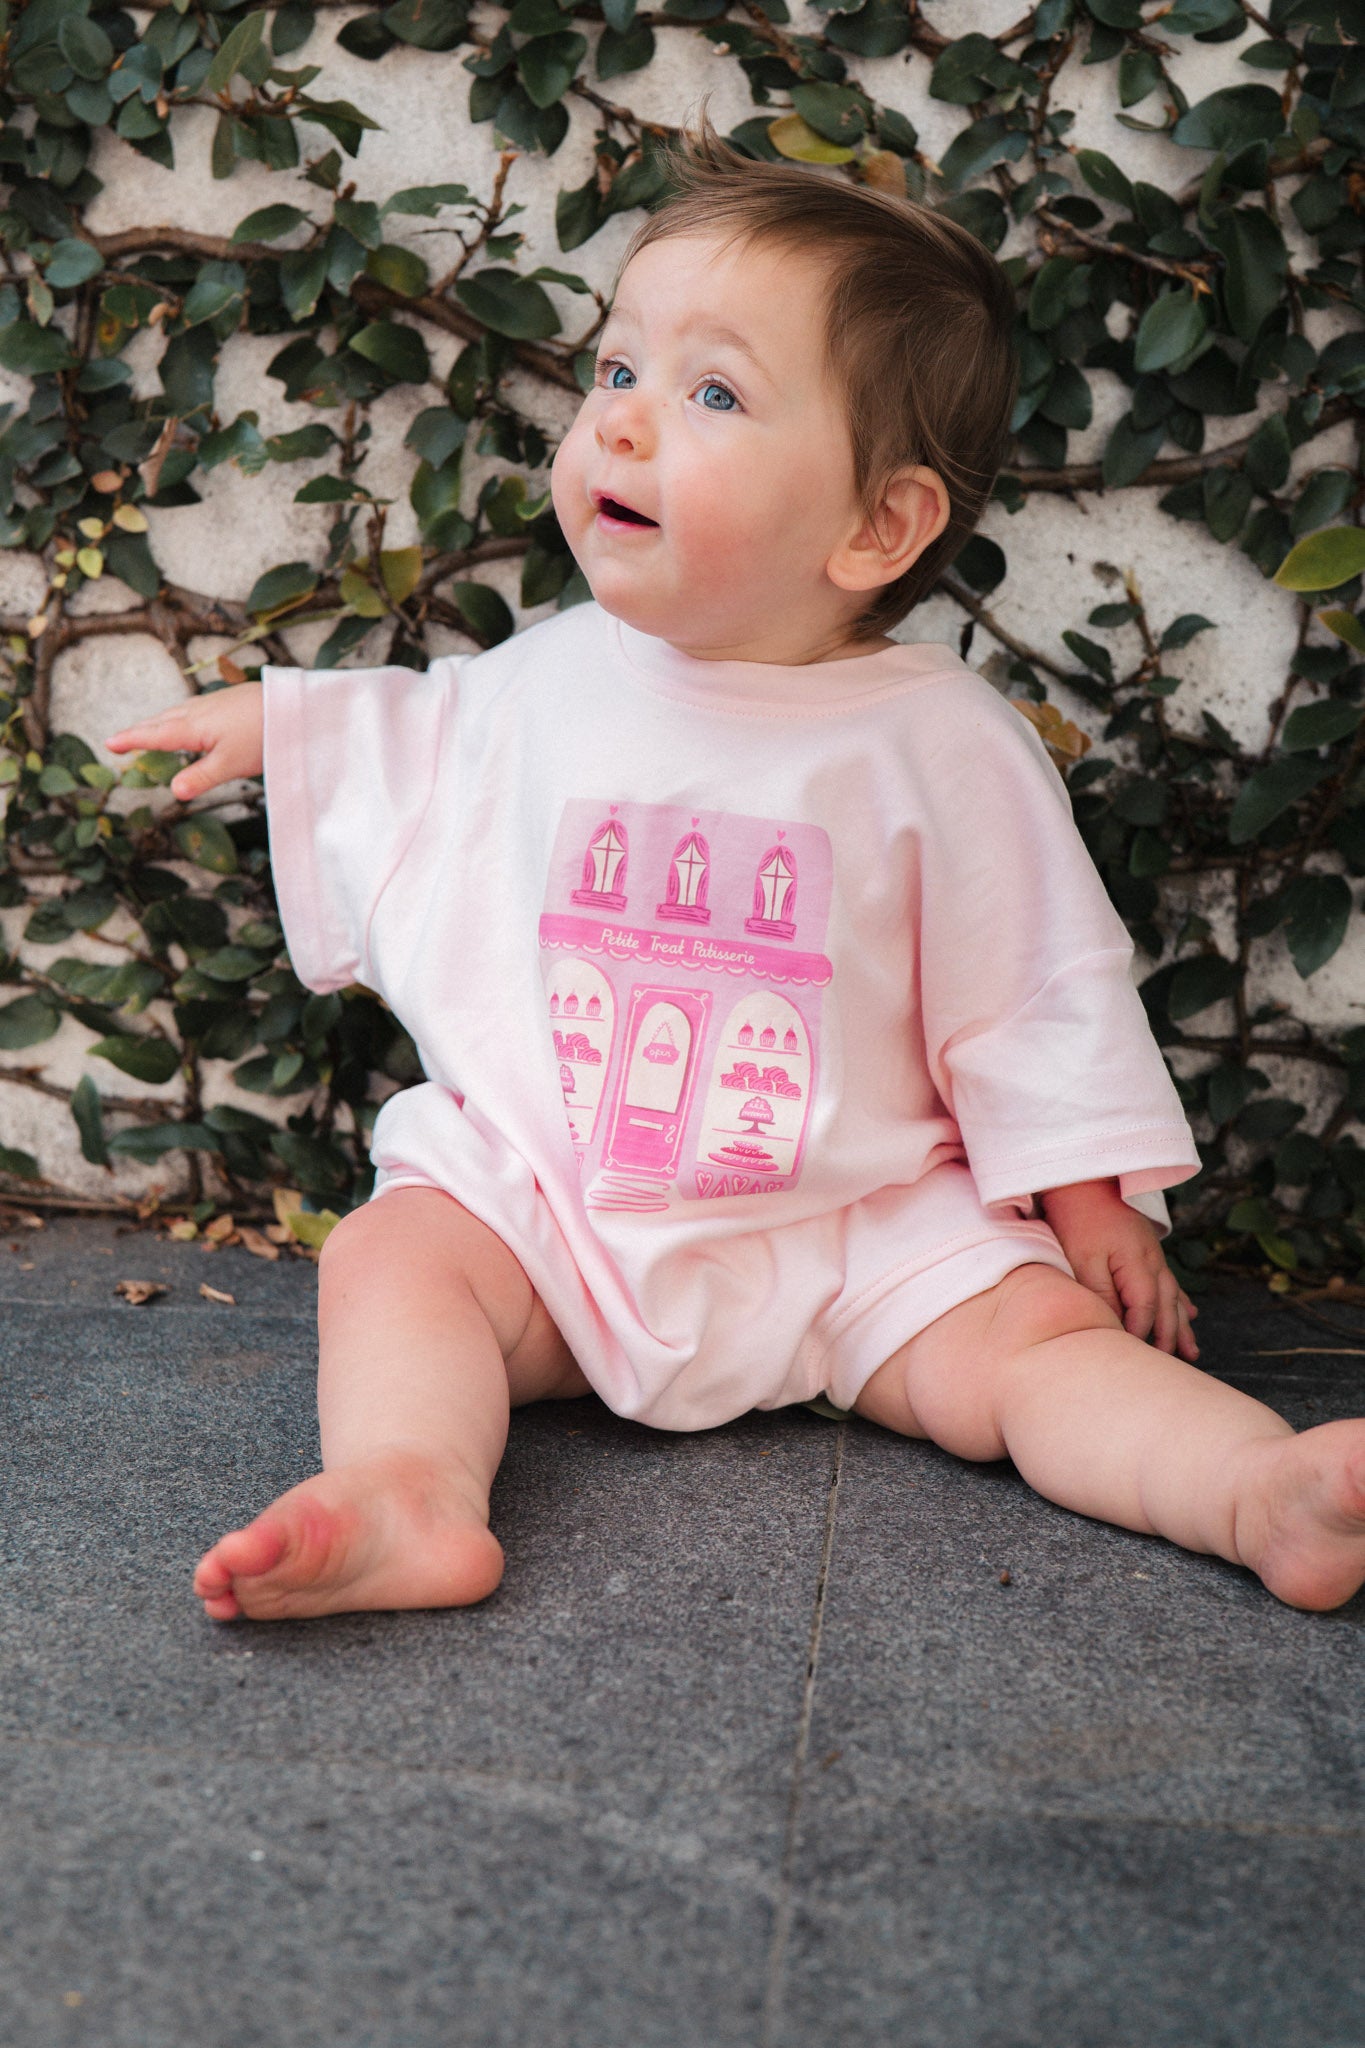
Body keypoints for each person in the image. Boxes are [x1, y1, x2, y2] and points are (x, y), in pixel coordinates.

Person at [106, 123, 1365, 1621]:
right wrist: (286, 727)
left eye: (710, 393)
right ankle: (408, 1490)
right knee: (395, 1251)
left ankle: (1252, 1492)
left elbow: (1029, 982)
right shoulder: (557, 673)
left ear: (876, 522)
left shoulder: (935, 741)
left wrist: (1087, 1203)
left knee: (1039, 1353)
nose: (623, 426)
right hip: (563, 1209)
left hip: (858, 1226)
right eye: (618, 371)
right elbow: (425, 734)